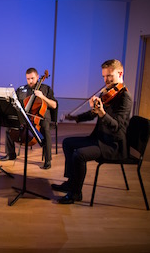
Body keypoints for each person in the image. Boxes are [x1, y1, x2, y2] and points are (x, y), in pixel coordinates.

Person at [53, 59, 132, 204]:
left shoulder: (124, 98)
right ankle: (71, 182)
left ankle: (76, 193)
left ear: (120, 73)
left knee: (79, 155)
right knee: (67, 143)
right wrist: (74, 118)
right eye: (103, 76)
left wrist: (102, 113)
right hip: (99, 138)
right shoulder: (109, 93)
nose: (106, 80)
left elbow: (116, 127)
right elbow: (92, 114)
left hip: (112, 144)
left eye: (109, 76)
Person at [1, 67, 57, 169]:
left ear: (38, 77)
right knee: (8, 127)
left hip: (42, 119)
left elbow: (54, 105)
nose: (30, 81)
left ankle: (48, 160)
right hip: (26, 117)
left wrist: (42, 97)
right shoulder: (22, 89)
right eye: (28, 79)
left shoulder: (46, 89)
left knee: (45, 129)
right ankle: (11, 154)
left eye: (32, 78)